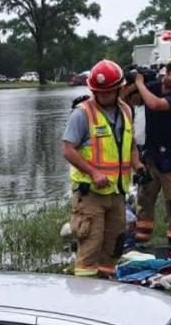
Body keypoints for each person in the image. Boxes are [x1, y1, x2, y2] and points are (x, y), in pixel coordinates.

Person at [61, 60, 143, 278]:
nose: (104, 96)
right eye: (100, 92)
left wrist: (138, 165)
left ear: (119, 88)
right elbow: (68, 149)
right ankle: (84, 300)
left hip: (117, 192)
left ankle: (106, 288)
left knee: (114, 244)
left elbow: (130, 144)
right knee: (90, 245)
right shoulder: (82, 114)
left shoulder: (126, 110)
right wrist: (93, 172)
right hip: (90, 194)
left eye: (109, 92)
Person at [133, 55, 171, 245]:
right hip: (151, 157)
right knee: (145, 200)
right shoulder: (154, 87)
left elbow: (154, 104)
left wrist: (140, 83)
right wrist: (133, 80)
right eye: (170, 72)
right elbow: (133, 99)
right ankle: (142, 240)